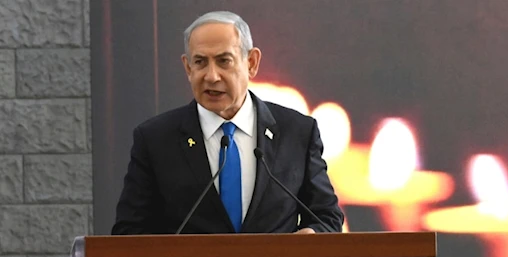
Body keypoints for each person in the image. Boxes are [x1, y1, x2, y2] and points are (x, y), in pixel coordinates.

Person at [111, 10, 344, 235]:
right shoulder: (155, 139)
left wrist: (312, 235)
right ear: (187, 67)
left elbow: (327, 217)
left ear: (251, 63)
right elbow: (129, 230)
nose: (211, 76)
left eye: (224, 61)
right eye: (200, 62)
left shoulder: (297, 132)